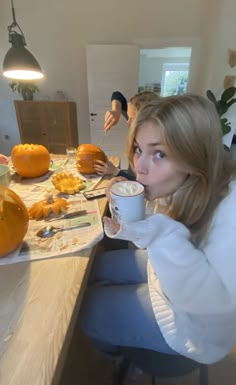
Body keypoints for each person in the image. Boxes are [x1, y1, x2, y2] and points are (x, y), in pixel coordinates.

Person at [79, 94, 236, 365]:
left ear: (194, 156)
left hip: (194, 324)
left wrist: (158, 232)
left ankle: (120, 354)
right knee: (99, 266)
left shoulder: (229, 210)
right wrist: (131, 208)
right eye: (139, 149)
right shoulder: (181, 181)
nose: (139, 167)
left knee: (89, 309)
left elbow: (216, 306)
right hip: (166, 277)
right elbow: (160, 228)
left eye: (159, 153)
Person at [94, 91, 160, 179]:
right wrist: (116, 110)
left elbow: (141, 185)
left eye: (132, 119)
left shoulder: (153, 150)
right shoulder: (135, 117)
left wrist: (115, 171)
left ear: (148, 119)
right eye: (128, 117)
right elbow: (117, 95)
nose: (128, 123)